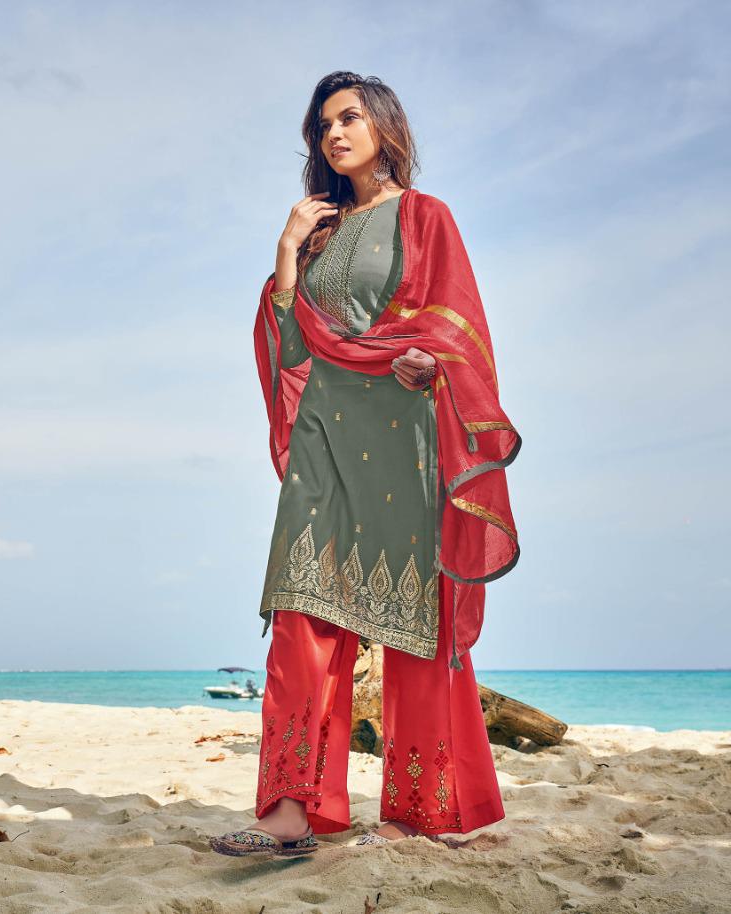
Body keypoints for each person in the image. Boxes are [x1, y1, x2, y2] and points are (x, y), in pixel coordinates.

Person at [209, 72, 522, 858]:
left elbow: (460, 329)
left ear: (384, 125)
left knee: (415, 625)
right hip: (324, 434)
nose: (335, 134)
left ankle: (418, 811)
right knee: (299, 615)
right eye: (323, 125)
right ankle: (291, 813)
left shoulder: (425, 216)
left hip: (402, 434)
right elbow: (290, 348)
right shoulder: (316, 232)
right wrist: (286, 252)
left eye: (349, 117)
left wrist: (429, 361)